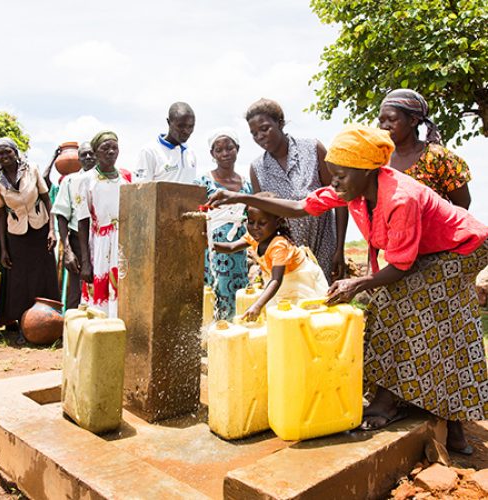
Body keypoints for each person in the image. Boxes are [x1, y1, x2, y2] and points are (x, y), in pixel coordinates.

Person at [208, 125, 488, 455]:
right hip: (427, 251)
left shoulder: (401, 197)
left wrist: (358, 283)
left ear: (367, 170)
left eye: (340, 174)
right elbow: (299, 207)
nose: (334, 181)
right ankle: (441, 417)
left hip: (463, 247)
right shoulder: (350, 191)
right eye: (333, 174)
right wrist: (240, 196)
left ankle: (397, 402)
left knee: (409, 311)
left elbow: (401, 266)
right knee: (421, 319)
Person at [246, 98, 347, 283]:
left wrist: (339, 249)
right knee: (290, 306)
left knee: (325, 303)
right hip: (286, 255)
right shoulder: (257, 168)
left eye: (265, 128)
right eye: (254, 133)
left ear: (280, 123)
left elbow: (339, 198)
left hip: (323, 244)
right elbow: (260, 218)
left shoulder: (312, 149)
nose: (260, 136)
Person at [214, 193, 328, 322]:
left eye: (262, 223)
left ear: (277, 222)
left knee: (300, 315)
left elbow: (276, 280)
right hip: (279, 281)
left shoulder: (279, 245)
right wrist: (209, 243)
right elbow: (231, 247)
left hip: (299, 280)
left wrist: (257, 305)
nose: (255, 227)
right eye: (251, 222)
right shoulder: (255, 237)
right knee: (278, 314)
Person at [0, 137, 59, 331]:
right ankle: (23, 325)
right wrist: (4, 248)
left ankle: (50, 324)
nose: (4, 156)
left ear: (15, 152)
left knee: (44, 274)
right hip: (16, 234)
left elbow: (47, 199)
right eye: (0, 153)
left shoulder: (32, 169)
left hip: (41, 228)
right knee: (20, 279)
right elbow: (0, 214)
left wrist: (52, 230)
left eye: (7, 151)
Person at [378, 88, 471, 208]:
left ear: (413, 121)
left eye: (392, 119)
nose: (385, 126)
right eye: (381, 121)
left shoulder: (436, 157)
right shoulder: (379, 158)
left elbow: (462, 204)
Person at [194, 128, 251, 320]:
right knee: (216, 289)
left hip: (240, 245)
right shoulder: (204, 181)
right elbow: (196, 213)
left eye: (230, 148)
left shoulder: (247, 184)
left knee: (240, 289)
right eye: (219, 150)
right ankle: (217, 334)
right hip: (214, 246)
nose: (225, 153)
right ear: (212, 154)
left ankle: (237, 331)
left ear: (237, 149)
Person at [76, 131, 130, 318]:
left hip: (123, 242)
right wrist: (85, 262)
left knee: (123, 288)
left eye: (114, 147)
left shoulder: (127, 178)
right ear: (96, 152)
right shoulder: (85, 180)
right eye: (105, 148)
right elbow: (82, 221)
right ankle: (99, 334)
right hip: (100, 242)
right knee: (99, 292)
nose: (110, 152)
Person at [51, 142, 96, 309]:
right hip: (78, 241)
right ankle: (71, 332)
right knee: (76, 291)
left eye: (92, 153)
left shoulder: (110, 179)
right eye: (84, 155)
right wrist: (68, 251)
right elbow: (62, 216)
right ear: (79, 159)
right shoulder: (70, 181)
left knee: (103, 288)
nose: (89, 157)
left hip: (103, 240)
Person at [134, 102, 197, 183]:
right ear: (169, 122)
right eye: (181, 126)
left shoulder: (191, 153)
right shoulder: (149, 151)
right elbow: (141, 188)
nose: (186, 131)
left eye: (190, 126)